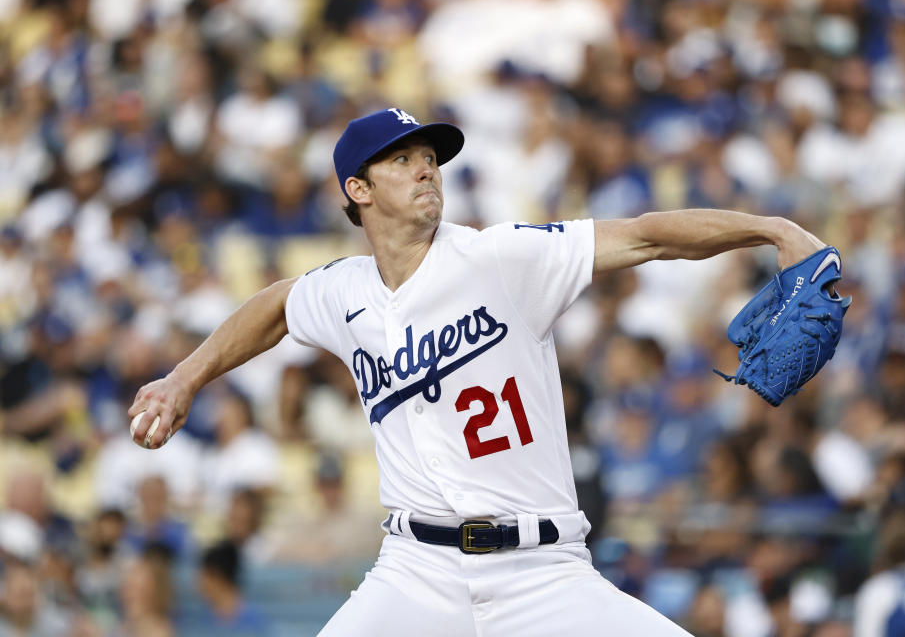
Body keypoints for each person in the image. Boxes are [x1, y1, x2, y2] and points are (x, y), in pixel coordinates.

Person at [129, 107, 828, 636]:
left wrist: (772, 229)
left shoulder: (502, 260)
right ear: (358, 189)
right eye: (401, 160)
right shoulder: (344, 292)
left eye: (429, 155)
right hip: (416, 570)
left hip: (541, 572)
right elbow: (277, 304)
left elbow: (645, 235)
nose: (426, 167)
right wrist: (184, 378)